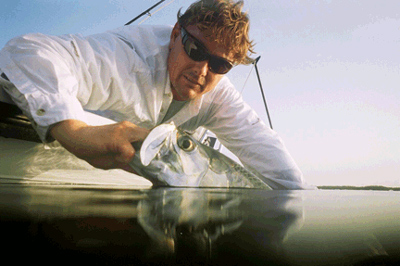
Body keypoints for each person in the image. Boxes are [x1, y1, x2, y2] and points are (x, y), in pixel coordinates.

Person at [0, 0, 306, 189]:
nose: (201, 70)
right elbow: (28, 50)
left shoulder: (219, 94)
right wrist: (73, 131)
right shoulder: (128, 58)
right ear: (175, 35)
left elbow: (271, 156)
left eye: (219, 64)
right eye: (195, 50)